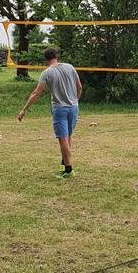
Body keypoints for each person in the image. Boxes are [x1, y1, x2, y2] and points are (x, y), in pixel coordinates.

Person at [17, 47, 83, 178]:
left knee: (63, 139)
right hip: (74, 107)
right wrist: (75, 100)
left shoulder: (47, 73)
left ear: (46, 59)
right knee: (68, 136)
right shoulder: (70, 67)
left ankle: (69, 170)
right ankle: (64, 164)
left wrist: (24, 109)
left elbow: (36, 92)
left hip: (59, 109)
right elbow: (79, 86)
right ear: (56, 55)